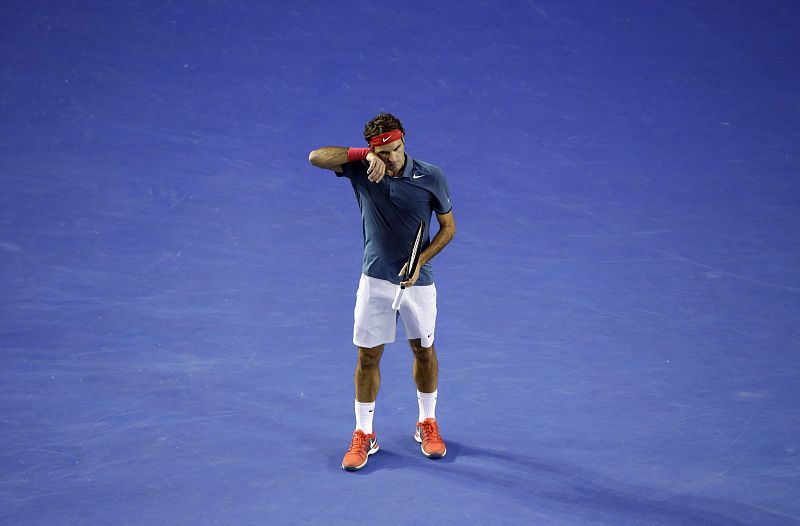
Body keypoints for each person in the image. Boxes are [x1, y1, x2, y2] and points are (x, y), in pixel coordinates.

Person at [308, 113, 456, 471]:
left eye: (396, 150)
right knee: (367, 357)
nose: (391, 158)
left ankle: (427, 422)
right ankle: (364, 433)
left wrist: (421, 260)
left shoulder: (430, 176)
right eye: (383, 152)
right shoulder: (362, 168)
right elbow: (316, 156)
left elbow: (448, 227)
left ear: (404, 142)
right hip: (374, 280)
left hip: (417, 282)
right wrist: (362, 156)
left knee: (424, 351)